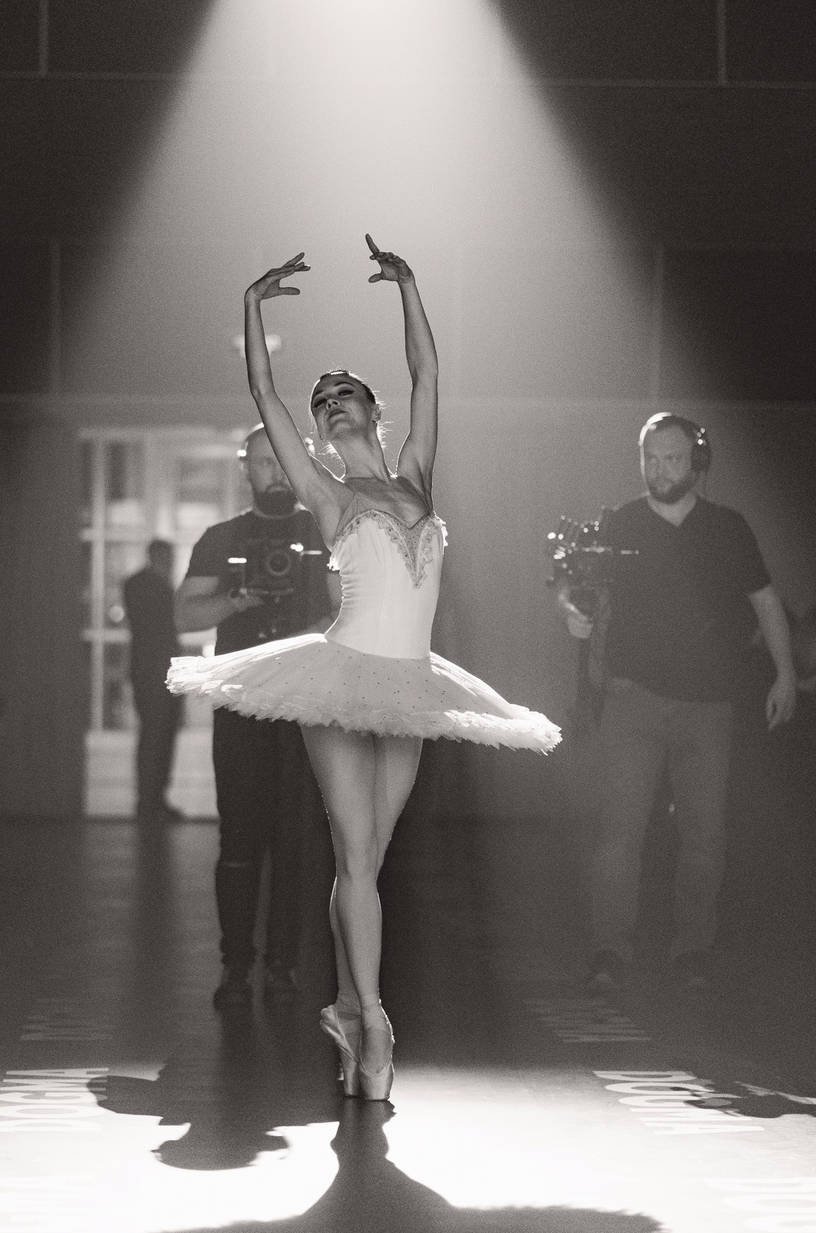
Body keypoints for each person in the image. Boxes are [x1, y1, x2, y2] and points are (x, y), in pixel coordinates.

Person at [169, 238, 560, 1098]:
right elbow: (264, 393)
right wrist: (251, 304)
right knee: (353, 848)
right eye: (323, 401)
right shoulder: (326, 492)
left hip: (412, 684)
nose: (331, 402)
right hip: (342, 677)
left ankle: (347, 1009)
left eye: (345, 392)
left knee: (368, 862)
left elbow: (428, 375)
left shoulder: (416, 478)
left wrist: (410, 288)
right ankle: (376, 1024)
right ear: (318, 431)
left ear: (373, 412)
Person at [556, 413, 796, 995]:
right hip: (632, 697)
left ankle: (693, 951)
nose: (659, 470)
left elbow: (765, 601)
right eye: (651, 458)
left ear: (697, 462)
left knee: (704, 835)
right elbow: (574, 583)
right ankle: (610, 950)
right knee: (620, 832)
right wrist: (570, 612)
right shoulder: (619, 521)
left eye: (672, 458)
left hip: (709, 704)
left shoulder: (728, 527)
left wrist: (787, 674)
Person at [174, 427, 337, 1007]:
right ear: (246, 468)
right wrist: (238, 599)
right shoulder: (222, 539)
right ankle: (236, 965)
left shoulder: (326, 533)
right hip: (241, 706)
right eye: (264, 462)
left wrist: (313, 632)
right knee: (239, 839)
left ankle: (283, 966)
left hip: (303, 705)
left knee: (296, 842)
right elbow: (184, 616)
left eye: (283, 461)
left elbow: (354, 609)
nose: (275, 472)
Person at [124, 541, 184, 826]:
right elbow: (163, 631)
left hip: (152, 672)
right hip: (156, 674)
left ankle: (152, 800)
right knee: (157, 738)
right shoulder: (153, 587)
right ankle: (150, 801)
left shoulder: (138, 585)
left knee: (157, 737)